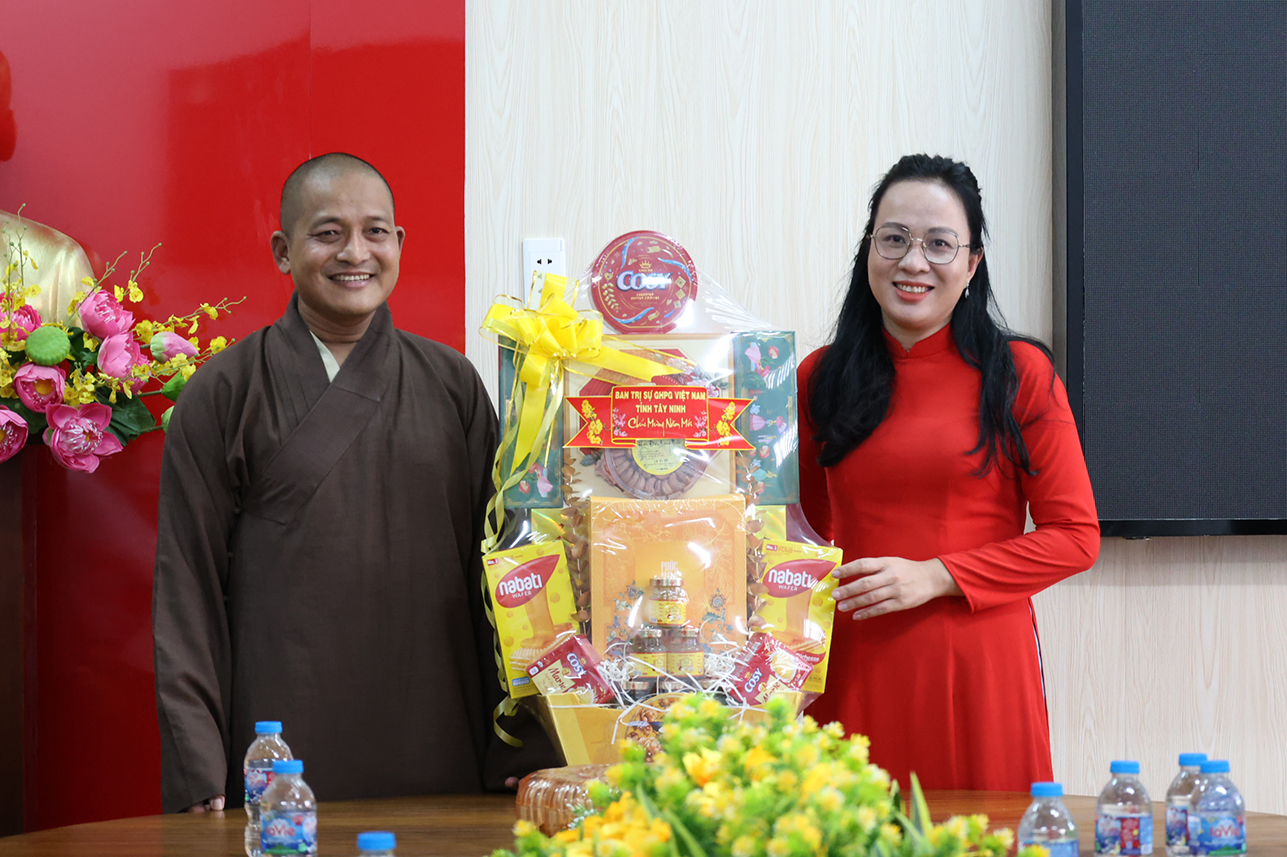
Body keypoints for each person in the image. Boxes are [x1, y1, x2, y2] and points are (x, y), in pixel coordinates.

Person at [153, 153, 555, 814]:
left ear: (399, 243)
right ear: (283, 251)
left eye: (375, 232)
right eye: (327, 233)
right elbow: (186, 586)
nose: (355, 253)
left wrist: (522, 743)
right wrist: (197, 760)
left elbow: (502, 573)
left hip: (436, 723)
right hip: (278, 732)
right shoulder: (224, 390)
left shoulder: (451, 383)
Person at [798, 154, 1099, 791]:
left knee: (980, 829)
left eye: (939, 244)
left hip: (980, 665)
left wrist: (937, 575)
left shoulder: (1019, 374)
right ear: (869, 249)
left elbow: (1075, 538)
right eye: (894, 239)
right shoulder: (819, 377)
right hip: (855, 662)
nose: (914, 262)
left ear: (972, 263)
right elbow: (797, 538)